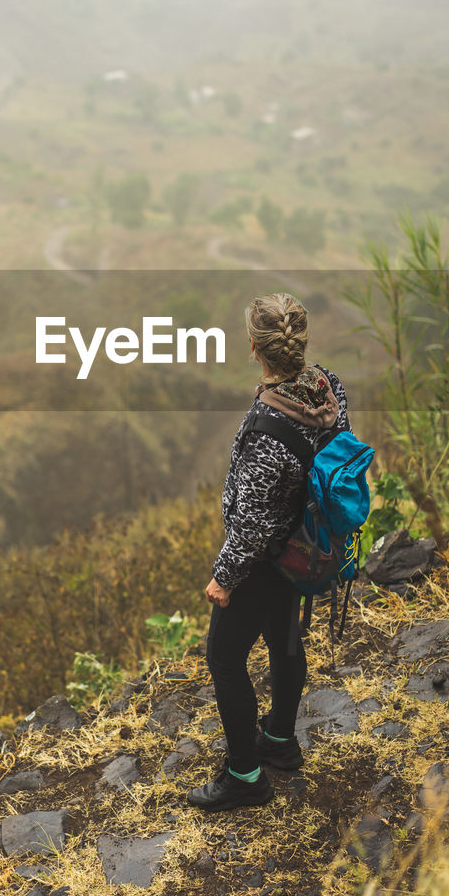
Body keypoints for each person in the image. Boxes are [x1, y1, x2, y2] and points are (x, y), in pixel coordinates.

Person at [187, 291, 350, 812]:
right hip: (304, 546)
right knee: (283, 638)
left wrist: (224, 578)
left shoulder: (269, 432)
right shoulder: (327, 388)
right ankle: (279, 740)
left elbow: (253, 526)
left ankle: (244, 775)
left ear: (255, 345)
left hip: (267, 557)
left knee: (225, 658)